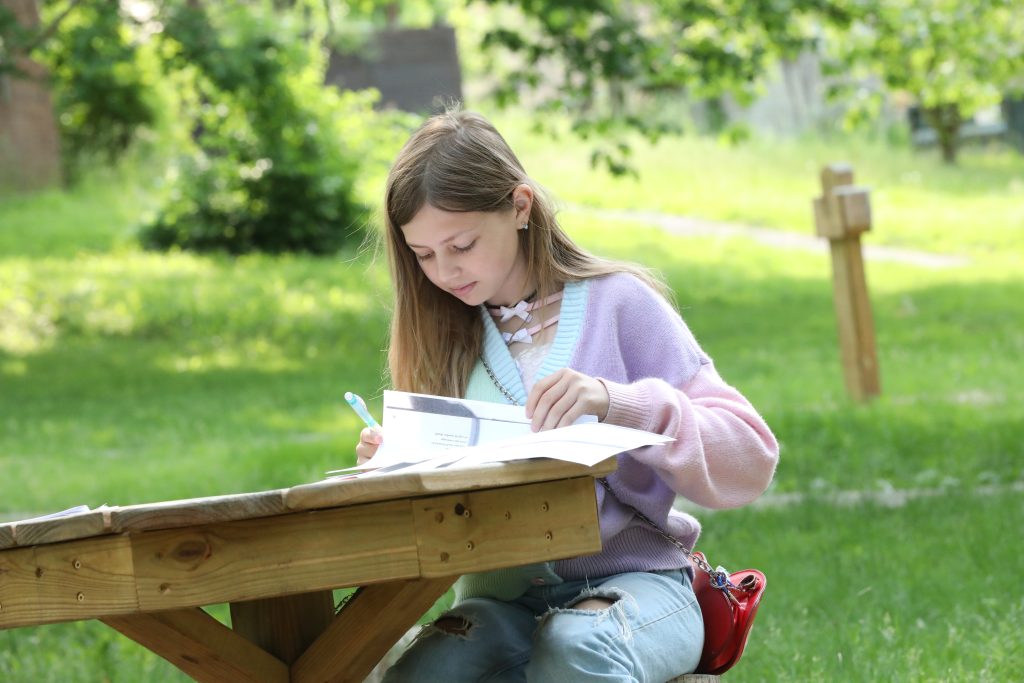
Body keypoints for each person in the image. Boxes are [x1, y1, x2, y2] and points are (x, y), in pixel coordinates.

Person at [355, 109, 779, 683]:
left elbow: (751, 458)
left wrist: (618, 403)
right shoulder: (442, 339)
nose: (445, 272)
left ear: (520, 207)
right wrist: (394, 471)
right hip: (496, 607)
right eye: (424, 256)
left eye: (461, 245)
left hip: (638, 587)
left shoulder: (619, 304)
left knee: (575, 646)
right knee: (425, 673)